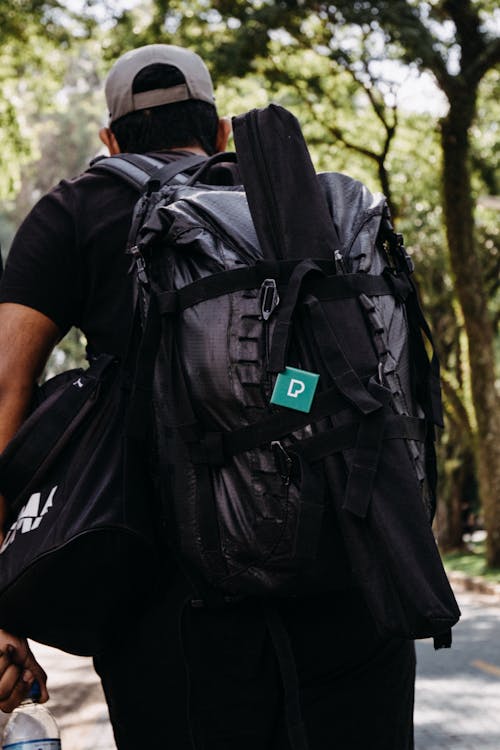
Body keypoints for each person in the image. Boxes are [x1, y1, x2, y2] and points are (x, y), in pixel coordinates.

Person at [0, 44, 416, 749]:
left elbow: (7, 390)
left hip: (177, 617)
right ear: (223, 132)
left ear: (109, 139)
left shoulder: (77, 209)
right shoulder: (309, 204)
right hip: (354, 584)